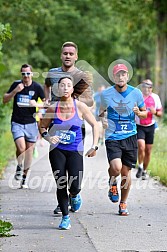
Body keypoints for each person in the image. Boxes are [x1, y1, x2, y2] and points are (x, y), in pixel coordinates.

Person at [39, 76, 99, 230]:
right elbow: (42, 127)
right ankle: (65, 217)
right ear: (58, 89)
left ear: (72, 90)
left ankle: (75, 194)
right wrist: (48, 138)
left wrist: (94, 146)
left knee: (75, 185)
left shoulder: (80, 107)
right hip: (57, 150)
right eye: (62, 85)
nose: (65, 88)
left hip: (75, 151)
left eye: (68, 85)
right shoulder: (53, 108)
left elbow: (95, 125)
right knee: (61, 184)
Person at [44, 41, 94, 214]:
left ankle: (74, 193)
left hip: (75, 124)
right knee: (60, 170)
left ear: (76, 56)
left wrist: (74, 101)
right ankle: (62, 203)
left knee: (73, 169)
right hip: (56, 123)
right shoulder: (53, 73)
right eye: (65, 53)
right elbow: (47, 85)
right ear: (61, 55)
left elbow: (90, 100)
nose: (68, 56)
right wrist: (47, 101)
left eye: (71, 54)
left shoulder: (81, 76)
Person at [99, 63, 147, 216]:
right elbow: (101, 112)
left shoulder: (136, 93)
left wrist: (139, 113)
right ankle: (113, 182)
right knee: (117, 167)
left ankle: (123, 202)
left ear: (127, 76)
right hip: (113, 136)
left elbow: (145, 113)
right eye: (118, 75)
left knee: (126, 173)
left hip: (130, 136)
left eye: (123, 74)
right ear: (114, 77)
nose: (120, 77)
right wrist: (103, 120)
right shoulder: (106, 94)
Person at [3, 64, 45, 188]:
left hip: (31, 123)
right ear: (21, 74)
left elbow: (46, 103)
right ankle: (19, 165)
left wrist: (37, 105)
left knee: (29, 152)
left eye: (28, 73)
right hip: (17, 122)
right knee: (21, 148)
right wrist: (15, 91)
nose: (26, 76)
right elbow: (5, 99)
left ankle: (24, 178)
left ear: (32, 74)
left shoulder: (37, 87)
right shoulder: (16, 84)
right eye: (23, 74)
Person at [135, 79, 163, 179]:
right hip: (139, 126)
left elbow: (160, 114)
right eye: (145, 87)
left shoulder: (155, 98)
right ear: (142, 87)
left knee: (148, 150)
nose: (147, 89)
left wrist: (154, 112)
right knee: (141, 146)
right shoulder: (138, 97)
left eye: (149, 87)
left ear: (151, 88)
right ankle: (140, 166)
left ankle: (144, 171)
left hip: (150, 126)